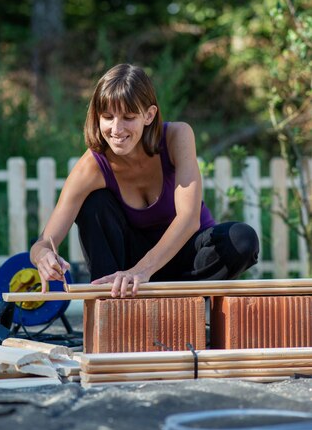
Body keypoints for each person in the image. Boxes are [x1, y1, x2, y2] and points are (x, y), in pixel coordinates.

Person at [30, 63, 259, 297]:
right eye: (108, 117)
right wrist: (44, 257)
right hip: (126, 275)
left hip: (185, 262)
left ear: (149, 115)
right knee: (94, 203)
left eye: (128, 117)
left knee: (242, 239)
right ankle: (113, 303)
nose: (116, 129)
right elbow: (44, 242)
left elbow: (189, 220)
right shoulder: (91, 166)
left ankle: (176, 300)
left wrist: (142, 271)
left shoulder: (177, 137)